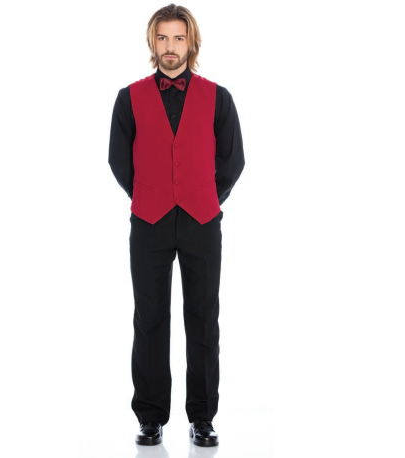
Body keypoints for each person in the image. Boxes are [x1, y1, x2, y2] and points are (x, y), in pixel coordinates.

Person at [108, 3, 245, 447]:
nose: (171, 46)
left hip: (202, 221)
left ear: (192, 43)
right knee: (149, 318)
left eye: (179, 38)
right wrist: (150, 194)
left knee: (203, 317)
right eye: (163, 37)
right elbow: (118, 161)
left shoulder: (219, 98)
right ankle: (150, 417)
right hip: (149, 221)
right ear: (153, 42)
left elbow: (233, 160)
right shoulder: (128, 98)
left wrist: (206, 198)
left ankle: (202, 417)